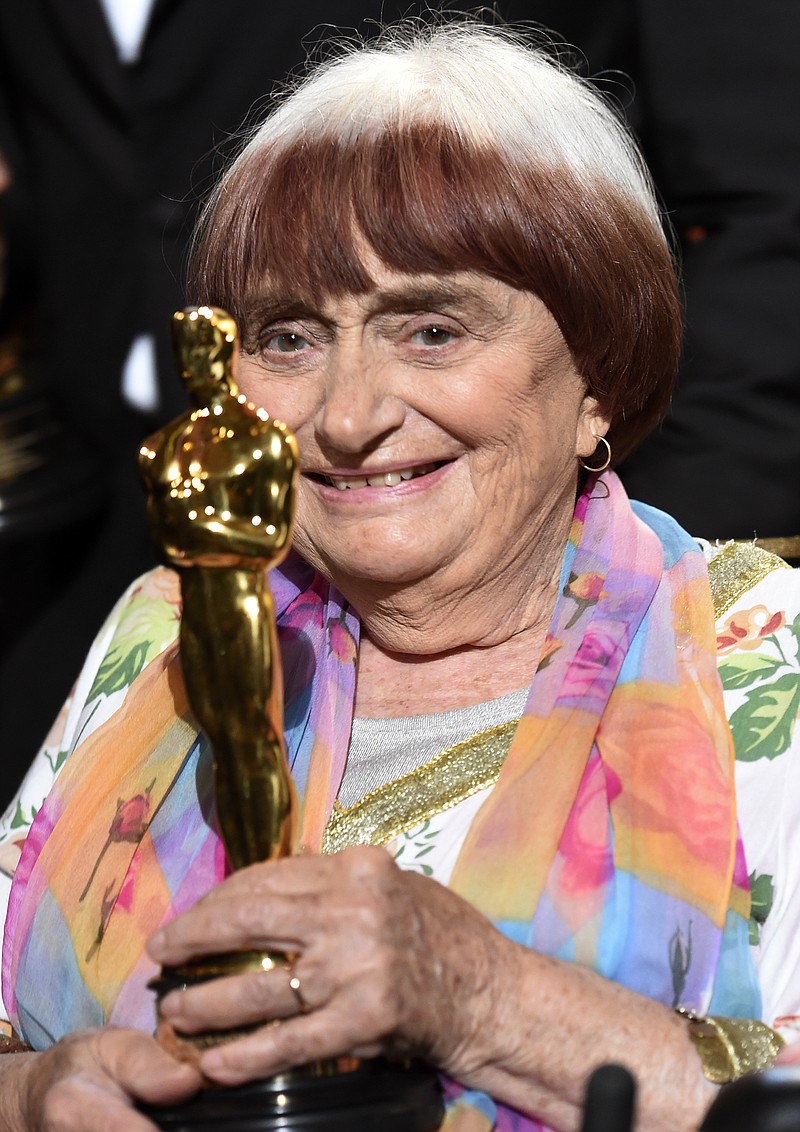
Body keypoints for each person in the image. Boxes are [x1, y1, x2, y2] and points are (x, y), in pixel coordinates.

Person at [0, 22, 799, 1132]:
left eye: (428, 330)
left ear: (597, 381)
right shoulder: (168, 625)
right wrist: (34, 1091)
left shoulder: (762, 655)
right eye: (286, 338)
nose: (348, 414)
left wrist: (481, 999)